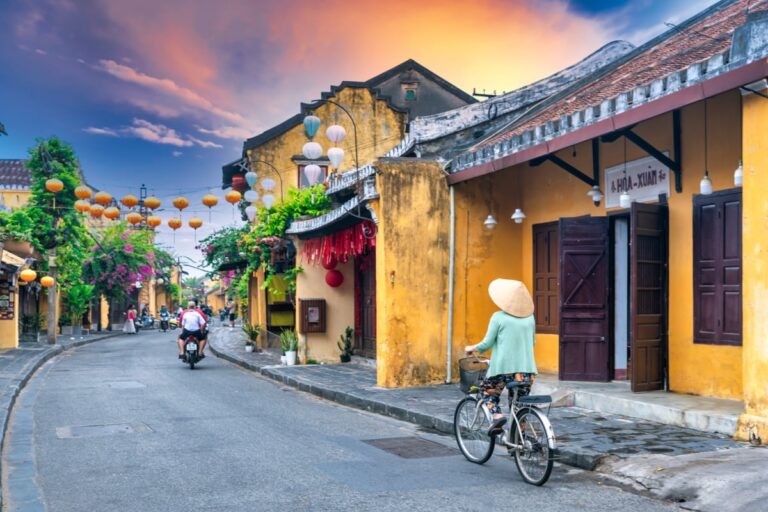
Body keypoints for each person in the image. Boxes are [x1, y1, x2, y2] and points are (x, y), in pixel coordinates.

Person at [464, 279, 537, 436]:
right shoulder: (530, 318)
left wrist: (471, 348)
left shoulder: (498, 317)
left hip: (504, 369)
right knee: (519, 407)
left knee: (486, 392)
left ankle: (497, 417)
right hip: (527, 371)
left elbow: (486, 344)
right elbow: (533, 343)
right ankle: (518, 442)